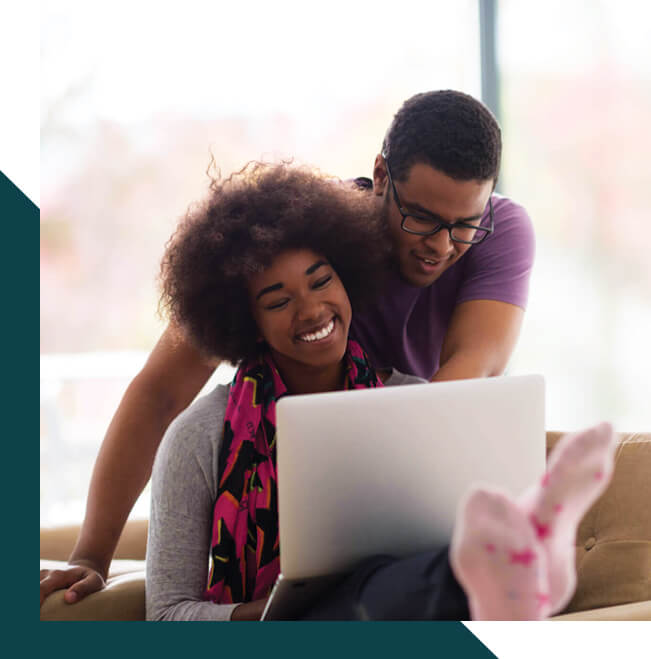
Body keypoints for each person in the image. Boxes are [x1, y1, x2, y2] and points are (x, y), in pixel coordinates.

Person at [40, 90, 536, 606]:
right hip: (289, 488)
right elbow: (161, 393)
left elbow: (471, 371)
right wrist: (91, 556)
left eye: (464, 224)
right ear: (381, 177)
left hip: (397, 478)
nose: (441, 244)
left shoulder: (501, 232)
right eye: (422, 218)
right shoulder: (300, 238)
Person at [144, 163, 613, 621]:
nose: (311, 310)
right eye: (279, 301)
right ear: (251, 325)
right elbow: (166, 614)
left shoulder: (409, 402)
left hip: (403, 607)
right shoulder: (200, 435)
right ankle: (513, 566)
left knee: (396, 579)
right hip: (282, 629)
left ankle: (515, 558)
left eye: (321, 280)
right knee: (369, 594)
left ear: (348, 278)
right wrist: (271, 613)